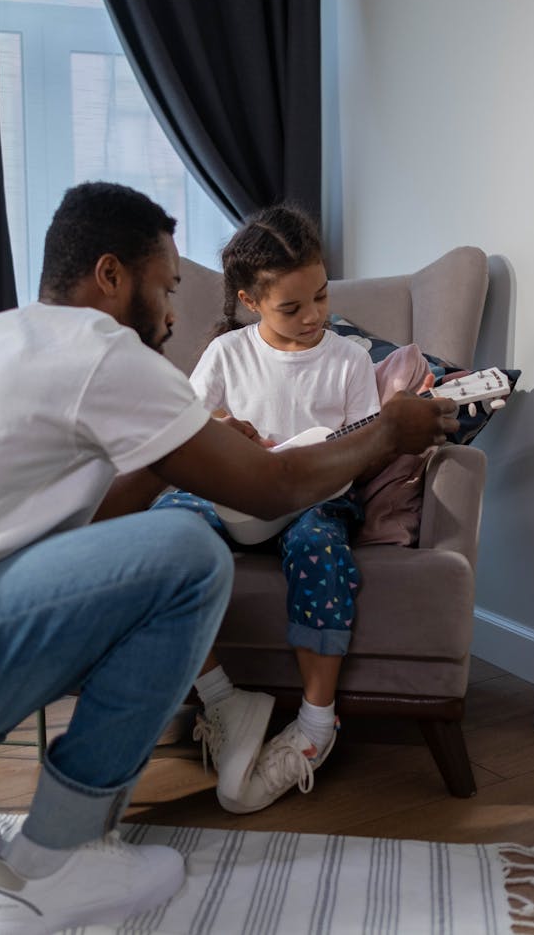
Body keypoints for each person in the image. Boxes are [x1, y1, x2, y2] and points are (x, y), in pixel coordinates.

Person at [0, 183, 457, 934]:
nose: (174, 314)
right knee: (188, 554)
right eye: (167, 285)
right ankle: (60, 863)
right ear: (111, 275)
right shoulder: (100, 352)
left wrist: (185, 453)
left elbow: (88, 541)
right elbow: (271, 488)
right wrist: (389, 430)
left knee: (105, 558)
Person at [152, 204, 415, 814]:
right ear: (250, 301)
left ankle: (317, 727)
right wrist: (225, 432)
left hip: (313, 504)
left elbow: (365, 452)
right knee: (165, 536)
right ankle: (221, 699)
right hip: (233, 496)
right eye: (291, 308)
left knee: (318, 545)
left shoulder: (349, 360)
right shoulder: (226, 354)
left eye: (320, 297)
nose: (314, 316)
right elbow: (184, 433)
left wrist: (349, 449)